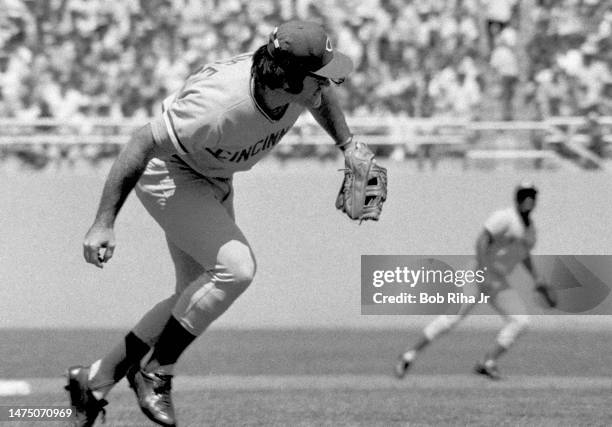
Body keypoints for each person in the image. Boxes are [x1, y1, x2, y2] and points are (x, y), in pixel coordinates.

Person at [65, 20, 357, 427]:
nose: (330, 83)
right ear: (289, 79)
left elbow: (320, 98)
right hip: (171, 172)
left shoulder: (293, 87)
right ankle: (156, 371)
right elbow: (140, 143)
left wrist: (349, 145)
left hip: (212, 175)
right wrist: (103, 222)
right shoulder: (218, 105)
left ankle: (93, 382)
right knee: (236, 269)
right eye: (320, 76)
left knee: (191, 294)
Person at [394, 182, 543, 380]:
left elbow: (523, 254)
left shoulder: (530, 229)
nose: (529, 200)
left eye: (532, 196)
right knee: (451, 319)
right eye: (525, 195)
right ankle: (408, 355)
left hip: (498, 281)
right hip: (478, 273)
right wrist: (484, 272)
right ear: (517, 198)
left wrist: (537, 277)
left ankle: (487, 362)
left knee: (521, 321)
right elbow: (482, 240)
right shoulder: (505, 217)